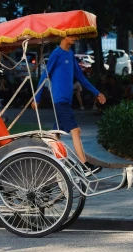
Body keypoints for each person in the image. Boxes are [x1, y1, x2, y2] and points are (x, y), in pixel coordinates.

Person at [33, 35, 106, 173]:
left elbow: (80, 77)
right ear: (63, 36)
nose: (75, 38)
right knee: (75, 130)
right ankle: (84, 167)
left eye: (76, 35)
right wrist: (36, 98)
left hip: (67, 100)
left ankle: (47, 165)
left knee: (55, 134)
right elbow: (45, 75)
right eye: (71, 35)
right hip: (60, 100)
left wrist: (96, 92)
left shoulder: (70, 53)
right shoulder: (56, 54)